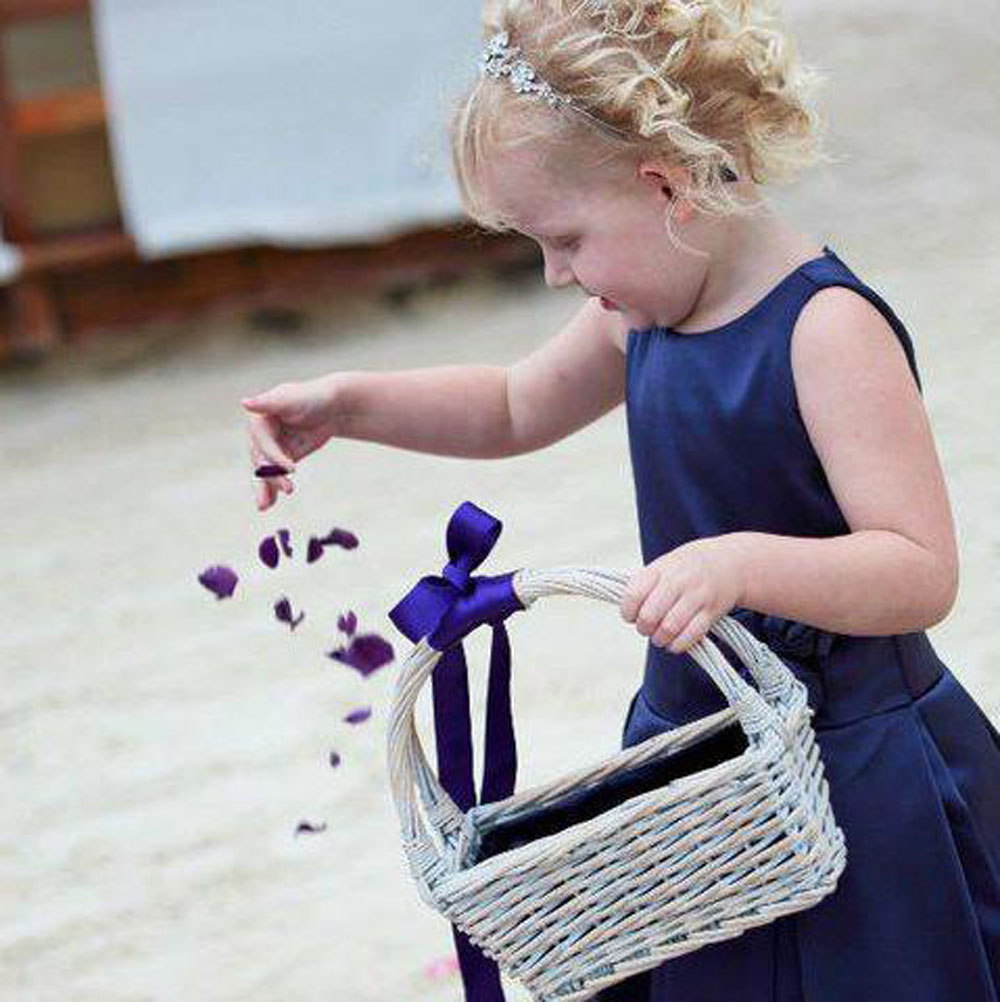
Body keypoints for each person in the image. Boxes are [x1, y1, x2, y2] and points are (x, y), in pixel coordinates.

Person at [241, 2, 1000, 998]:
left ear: (664, 187)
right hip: (700, 755)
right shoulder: (638, 318)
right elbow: (514, 406)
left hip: (857, 766)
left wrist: (739, 562)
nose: (557, 275)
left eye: (563, 240)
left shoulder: (824, 330)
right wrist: (348, 403)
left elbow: (917, 566)